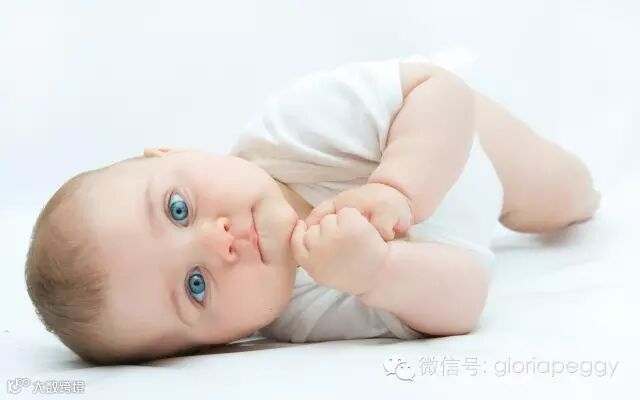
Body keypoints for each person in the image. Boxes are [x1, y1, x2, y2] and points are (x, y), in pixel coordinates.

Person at [24, 55, 601, 365]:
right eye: (196, 286)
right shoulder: (300, 315)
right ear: (221, 342)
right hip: (471, 223)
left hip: (470, 147)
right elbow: (468, 296)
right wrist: (379, 272)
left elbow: (437, 89)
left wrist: (400, 189)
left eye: (178, 209)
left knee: (570, 197)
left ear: (176, 154)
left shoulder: (292, 132)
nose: (218, 242)